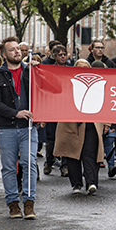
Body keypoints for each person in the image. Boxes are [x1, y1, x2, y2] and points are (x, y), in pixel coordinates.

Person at [0, 36, 37, 219]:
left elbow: (43, 93)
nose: (17, 52)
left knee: (29, 164)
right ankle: (13, 204)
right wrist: (14, 113)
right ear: (3, 54)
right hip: (6, 127)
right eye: (12, 50)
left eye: (18, 49)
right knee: (9, 167)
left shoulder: (31, 72)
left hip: (28, 127)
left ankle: (29, 202)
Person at [55, 60, 107, 195]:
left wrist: (107, 123)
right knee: (73, 155)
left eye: (85, 68)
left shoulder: (96, 83)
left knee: (89, 152)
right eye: (79, 68)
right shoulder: (67, 83)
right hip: (71, 124)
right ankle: (76, 183)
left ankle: (91, 182)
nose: (83, 70)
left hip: (91, 123)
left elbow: (105, 103)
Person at [43, 44, 70, 178]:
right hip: (52, 107)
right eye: (60, 55)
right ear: (54, 56)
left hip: (66, 107)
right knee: (52, 138)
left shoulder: (70, 69)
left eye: (64, 54)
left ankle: (64, 166)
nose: (63, 57)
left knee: (64, 137)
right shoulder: (49, 69)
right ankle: (49, 162)